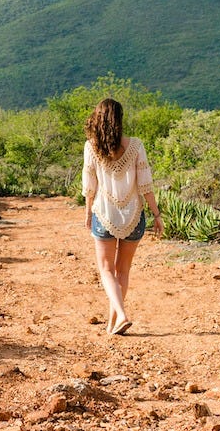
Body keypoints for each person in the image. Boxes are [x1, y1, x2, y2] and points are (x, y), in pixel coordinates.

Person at [81, 97, 162, 336]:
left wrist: (87, 212)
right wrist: (157, 215)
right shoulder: (136, 146)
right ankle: (112, 323)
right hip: (134, 216)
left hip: (104, 216)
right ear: (120, 119)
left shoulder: (91, 147)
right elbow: (146, 185)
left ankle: (121, 316)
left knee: (106, 270)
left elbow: (90, 186)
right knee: (122, 271)